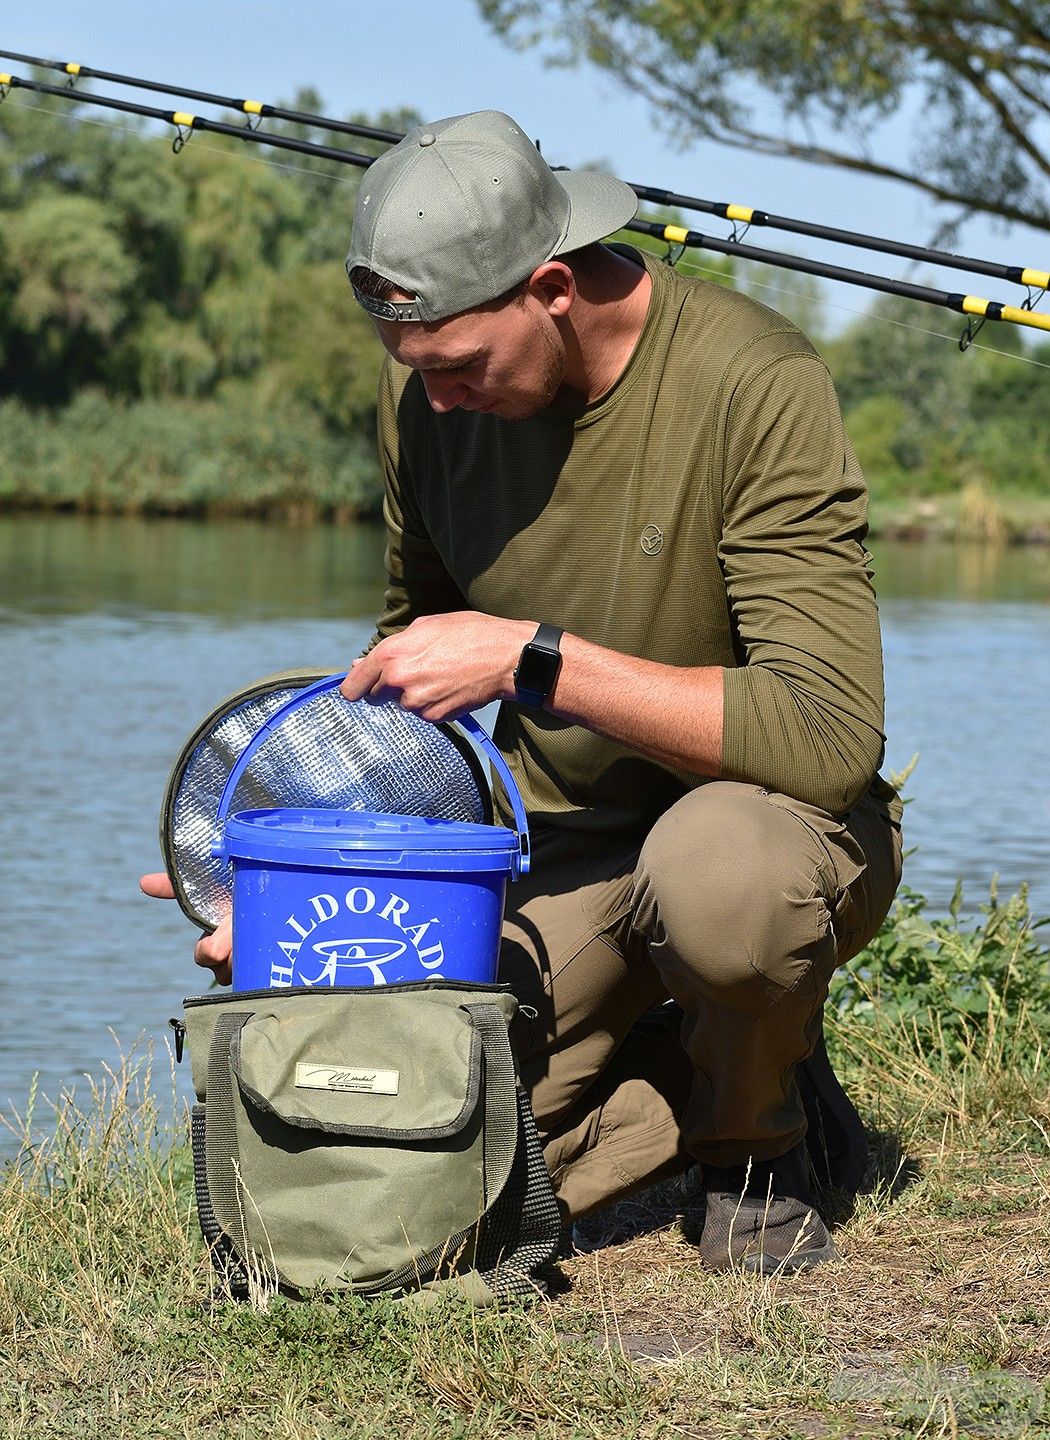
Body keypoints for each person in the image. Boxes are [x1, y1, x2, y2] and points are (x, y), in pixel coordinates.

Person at [145, 109, 902, 1273]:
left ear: (552, 287)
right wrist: (301, 892)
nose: (437, 402)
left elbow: (827, 736)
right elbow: (403, 710)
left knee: (719, 882)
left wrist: (532, 658)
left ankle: (755, 1145)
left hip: (765, 821)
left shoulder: (757, 380)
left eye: (458, 367)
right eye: (415, 373)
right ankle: (694, 1065)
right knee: (412, 1161)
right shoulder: (430, 410)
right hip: (552, 848)